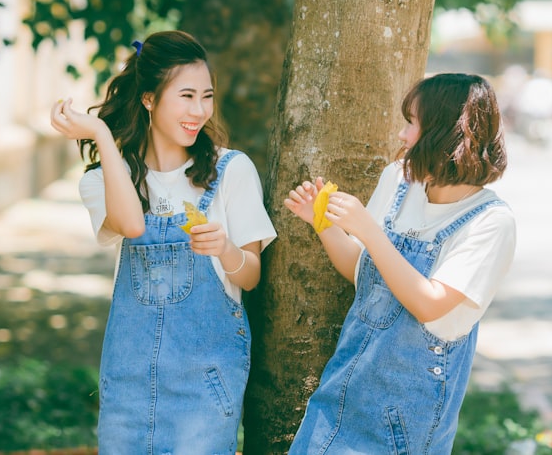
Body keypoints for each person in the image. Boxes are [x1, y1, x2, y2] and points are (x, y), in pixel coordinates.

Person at [49, 30, 276, 455]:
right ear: (149, 99)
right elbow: (132, 225)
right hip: (129, 392)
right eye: (186, 96)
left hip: (206, 392)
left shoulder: (232, 171)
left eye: (206, 96)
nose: (200, 111)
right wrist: (101, 133)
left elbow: (251, 276)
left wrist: (225, 249)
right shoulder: (103, 180)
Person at [284, 73, 515, 454]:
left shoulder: (490, 222)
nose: (403, 136)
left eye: (413, 124)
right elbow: (363, 272)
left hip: (405, 417)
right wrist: (321, 222)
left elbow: (429, 302)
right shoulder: (398, 179)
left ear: (446, 135)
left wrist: (370, 232)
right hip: (342, 390)